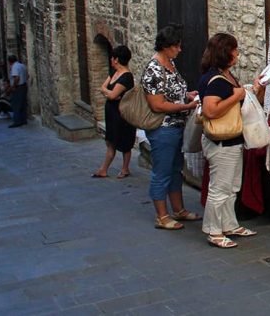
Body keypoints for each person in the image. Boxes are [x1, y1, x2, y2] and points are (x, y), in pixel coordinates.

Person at [198, 33, 257, 248]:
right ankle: (214, 231)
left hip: (232, 140)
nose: (237, 53)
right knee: (219, 188)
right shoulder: (215, 80)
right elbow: (210, 110)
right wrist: (236, 96)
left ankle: (229, 224)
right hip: (221, 142)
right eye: (234, 49)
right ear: (225, 53)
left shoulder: (225, 75)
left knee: (232, 187)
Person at [142, 25, 201, 230]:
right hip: (163, 129)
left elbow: (173, 92)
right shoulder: (154, 70)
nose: (179, 50)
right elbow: (157, 104)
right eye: (176, 46)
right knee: (162, 171)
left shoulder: (170, 64)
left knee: (176, 170)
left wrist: (187, 95)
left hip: (177, 127)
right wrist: (186, 106)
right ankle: (162, 215)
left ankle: (179, 210)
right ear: (166, 47)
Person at [92, 45, 137, 179]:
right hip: (112, 112)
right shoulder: (113, 73)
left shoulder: (126, 77)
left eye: (112, 58)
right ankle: (103, 169)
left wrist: (110, 94)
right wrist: (110, 94)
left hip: (121, 114)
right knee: (110, 140)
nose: (111, 60)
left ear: (116, 59)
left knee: (124, 141)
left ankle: (125, 169)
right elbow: (103, 88)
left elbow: (111, 95)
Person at [7, 55, 28, 128]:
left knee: (16, 105)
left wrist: (13, 87)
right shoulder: (22, 65)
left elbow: (16, 78)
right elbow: (27, 75)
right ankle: (23, 120)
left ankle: (17, 121)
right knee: (23, 104)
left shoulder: (14, 67)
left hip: (18, 87)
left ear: (9, 61)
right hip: (24, 86)